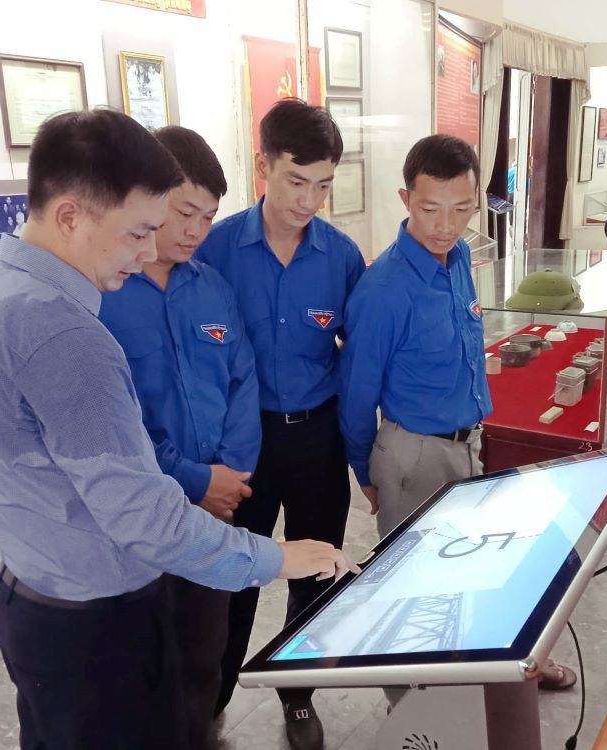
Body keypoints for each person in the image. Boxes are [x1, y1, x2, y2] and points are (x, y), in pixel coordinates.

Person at [0, 108, 358, 749]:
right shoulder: (67, 333)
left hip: (39, 588)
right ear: (71, 217)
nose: (150, 250)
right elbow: (145, 516)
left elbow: (237, 377)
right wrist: (278, 557)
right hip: (92, 613)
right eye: (141, 230)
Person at [339, 133, 577, 692]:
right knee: (408, 587)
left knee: (471, 571)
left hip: (467, 444)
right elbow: (355, 394)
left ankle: (487, 673)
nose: (446, 225)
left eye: (462, 209)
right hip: (414, 454)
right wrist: (366, 472)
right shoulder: (384, 289)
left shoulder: (461, 257)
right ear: (406, 200)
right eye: (430, 209)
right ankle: (410, 707)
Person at [197, 98, 365, 750]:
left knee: (316, 571)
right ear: (263, 164)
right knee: (234, 575)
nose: (309, 200)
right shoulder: (214, 249)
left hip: (316, 438)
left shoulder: (340, 257)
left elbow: (358, 353)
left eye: (323, 185)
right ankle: (212, 699)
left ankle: (298, 691)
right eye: (297, 181)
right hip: (243, 445)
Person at [98, 125, 258, 750]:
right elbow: (115, 425)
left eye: (209, 217)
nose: (195, 231)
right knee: (137, 664)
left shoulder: (212, 288)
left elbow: (242, 381)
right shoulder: (106, 294)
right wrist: (195, 481)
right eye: (184, 212)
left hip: (212, 515)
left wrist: (230, 476)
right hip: (138, 519)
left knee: (203, 655)